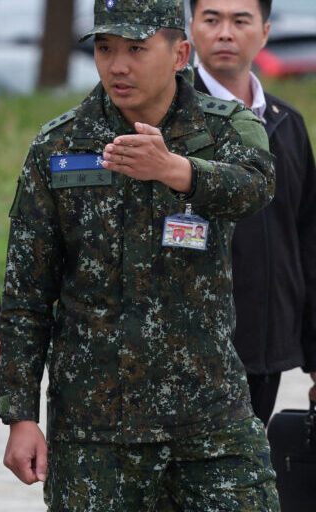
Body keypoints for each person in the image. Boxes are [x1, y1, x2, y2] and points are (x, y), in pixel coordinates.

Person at [0, 0, 280, 509]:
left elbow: (257, 186)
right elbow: (27, 295)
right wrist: (20, 415)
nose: (118, 65)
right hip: (95, 431)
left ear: (179, 53)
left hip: (209, 418)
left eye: (136, 49)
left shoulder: (221, 128)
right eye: (105, 48)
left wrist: (178, 171)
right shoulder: (59, 145)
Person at [189, 0, 316, 425]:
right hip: (186, 354)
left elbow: (307, 241)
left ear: (264, 33)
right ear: (191, 29)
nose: (225, 32)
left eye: (240, 21)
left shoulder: (287, 124)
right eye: (212, 19)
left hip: (266, 345)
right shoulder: (170, 118)